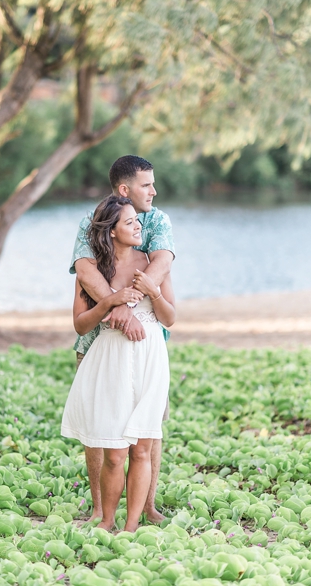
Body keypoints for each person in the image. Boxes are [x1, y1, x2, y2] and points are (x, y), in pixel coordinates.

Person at [61, 195, 176, 532]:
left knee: (142, 447)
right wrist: (110, 302)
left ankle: (131, 526)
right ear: (111, 231)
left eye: (137, 221)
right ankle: (106, 519)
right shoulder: (93, 271)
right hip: (110, 357)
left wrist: (153, 292)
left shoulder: (153, 263)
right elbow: (81, 325)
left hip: (150, 356)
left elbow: (170, 318)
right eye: (129, 222)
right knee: (113, 452)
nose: (138, 225)